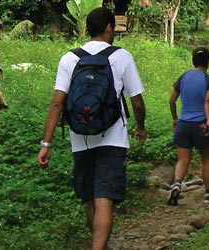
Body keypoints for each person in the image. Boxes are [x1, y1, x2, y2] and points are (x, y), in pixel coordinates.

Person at [36, 7, 146, 250]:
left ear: (87, 29)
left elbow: (57, 102)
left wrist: (46, 144)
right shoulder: (121, 56)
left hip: (80, 138)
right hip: (114, 139)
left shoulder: (70, 58)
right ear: (108, 28)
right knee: (104, 198)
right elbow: (136, 101)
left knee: (90, 200)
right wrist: (140, 127)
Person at [167, 47, 209, 206]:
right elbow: (208, 100)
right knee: (206, 159)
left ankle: (176, 184)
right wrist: (208, 119)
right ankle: (208, 194)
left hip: (183, 123)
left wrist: (175, 118)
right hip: (201, 124)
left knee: (183, 160)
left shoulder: (183, 77)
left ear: (193, 60)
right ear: (208, 61)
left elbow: (171, 100)